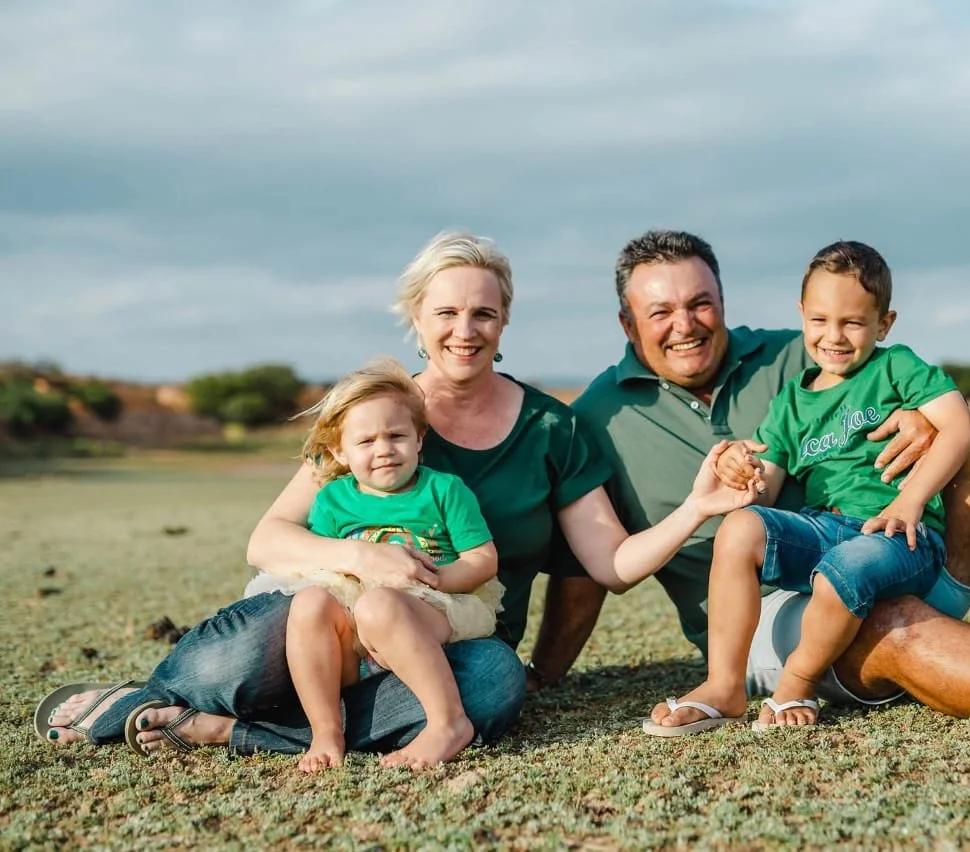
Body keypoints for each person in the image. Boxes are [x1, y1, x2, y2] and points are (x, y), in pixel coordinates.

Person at [35, 230, 754, 761]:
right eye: (446, 313)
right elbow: (269, 539)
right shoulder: (373, 413)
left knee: (491, 691)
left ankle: (232, 731)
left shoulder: (550, 426)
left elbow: (610, 564)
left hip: (449, 642)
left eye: (483, 314)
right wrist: (366, 561)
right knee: (237, 656)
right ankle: (158, 697)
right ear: (417, 319)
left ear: (504, 323)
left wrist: (698, 507)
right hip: (329, 626)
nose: (464, 331)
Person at [536, 228, 970, 741]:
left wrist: (917, 422)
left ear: (723, 299)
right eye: (660, 312)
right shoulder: (595, 417)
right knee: (881, 616)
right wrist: (546, 675)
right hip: (765, 615)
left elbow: (876, 372)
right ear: (628, 323)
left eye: (701, 302)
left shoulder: (798, 349)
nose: (685, 325)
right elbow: (586, 563)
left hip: (887, 541)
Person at [644, 239, 970, 735]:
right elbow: (767, 486)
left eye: (853, 322)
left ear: (884, 324)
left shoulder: (896, 367)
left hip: (899, 537)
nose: (834, 336)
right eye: (820, 320)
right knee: (740, 529)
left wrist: (909, 502)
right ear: (802, 313)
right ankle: (723, 684)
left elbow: (961, 427)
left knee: (846, 565)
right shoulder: (792, 401)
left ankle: (797, 683)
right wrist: (742, 471)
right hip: (825, 527)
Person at [255, 358, 505, 771]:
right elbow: (323, 562)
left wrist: (434, 579)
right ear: (339, 450)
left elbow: (483, 560)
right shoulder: (334, 499)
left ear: (420, 438)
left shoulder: (443, 490)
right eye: (366, 441)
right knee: (310, 603)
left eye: (396, 435)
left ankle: (447, 722)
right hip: (357, 615)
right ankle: (326, 731)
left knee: (380, 605)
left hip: (434, 604)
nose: (384, 449)